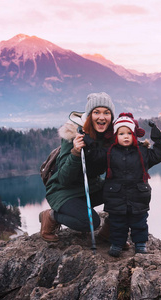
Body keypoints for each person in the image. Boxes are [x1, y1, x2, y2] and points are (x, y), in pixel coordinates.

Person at [39, 92, 116, 242]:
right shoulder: (74, 135)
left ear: (111, 117)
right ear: (89, 116)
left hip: (90, 187)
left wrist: (158, 147)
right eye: (96, 112)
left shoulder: (110, 137)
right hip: (64, 191)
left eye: (106, 112)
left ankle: (110, 232)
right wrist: (75, 152)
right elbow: (64, 179)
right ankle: (51, 216)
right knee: (91, 222)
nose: (101, 117)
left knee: (124, 191)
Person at [103, 113, 161, 257]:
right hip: (116, 195)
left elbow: (156, 155)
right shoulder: (109, 152)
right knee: (117, 223)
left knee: (139, 222)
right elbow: (95, 157)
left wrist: (160, 142)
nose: (126, 136)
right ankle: (117, 244)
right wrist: (86, 142)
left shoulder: (143, 151)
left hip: (138, 195)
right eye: (121, 133)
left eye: (129, 133)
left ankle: (140, 244)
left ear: (135, 134)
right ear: (115, 135)